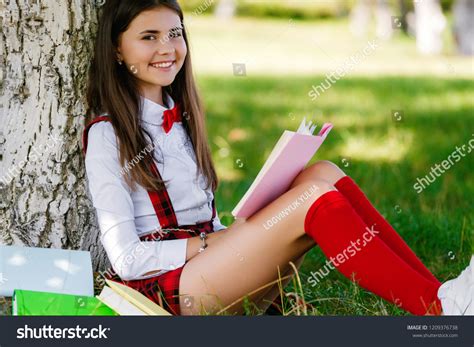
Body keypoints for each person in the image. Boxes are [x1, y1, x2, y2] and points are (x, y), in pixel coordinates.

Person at [83, 0, 473, 316]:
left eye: (174, 34)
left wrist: (236, 227)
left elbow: (203, 217)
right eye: (148, 37)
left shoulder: (182, 116)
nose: (167, 48)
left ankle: (441, 294)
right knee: (311, 201)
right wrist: (210, 243)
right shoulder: (108, 134)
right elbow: (126, 258)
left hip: (211, 263)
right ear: (117, 49)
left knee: (323, 173)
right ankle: (440, 310)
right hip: (170, 293)